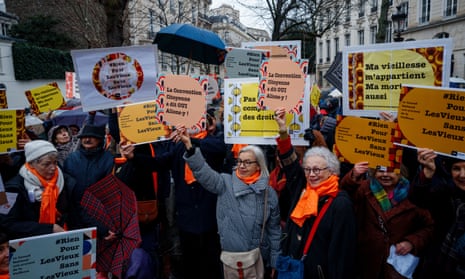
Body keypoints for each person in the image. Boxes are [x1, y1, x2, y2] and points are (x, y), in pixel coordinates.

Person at [120, 108, 226, 279]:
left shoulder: (211, 143)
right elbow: (158, 163)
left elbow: (219, 148)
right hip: (186, 216)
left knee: (211, 263)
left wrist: (190, 141)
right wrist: (133, 157)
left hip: (211, 215)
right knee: (190, 263)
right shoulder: (178, 148)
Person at [175, 125, 281, 278]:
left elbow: (274, 230)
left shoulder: (268, 193)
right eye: (239, 161)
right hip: (231, 262)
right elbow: (204, 172)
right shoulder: (225, 183)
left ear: (258, 165)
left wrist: (275, 261)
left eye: (247, 162)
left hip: (258, 261)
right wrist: (190, 148)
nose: (242, 166)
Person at [274, 107, 357, 278]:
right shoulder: (302, 188)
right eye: (308, 169)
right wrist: (283, 132)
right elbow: (289, 162)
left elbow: (342, 253)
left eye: (318, 170)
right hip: (295, 269)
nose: (312, 174)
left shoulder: (340, 202)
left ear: (332, 171)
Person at [340, 161, 434, 279]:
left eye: (391, 171)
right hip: (366, 259)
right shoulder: (364, 188)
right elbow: (345, 194)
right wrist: (354, 175)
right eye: (380, 170)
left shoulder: (414, 194)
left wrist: (411, 242)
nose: (385, 174)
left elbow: (429, 227)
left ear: (401, 173)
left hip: (396, 265)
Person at [62, 124, 117, 278]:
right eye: (84, 137)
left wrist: (103, 226)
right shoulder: (71, 159)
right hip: (75, 220)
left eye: (91, 136)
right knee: (81, 265)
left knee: (100, 265)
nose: (87, 139)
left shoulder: (108, 159)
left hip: (100, 220)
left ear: (100, 139)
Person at [0, 140, 76, 239]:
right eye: (46, 164)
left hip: (63, 239)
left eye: (55, 162)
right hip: (31, 244)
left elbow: (76, 211)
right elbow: (6, 223)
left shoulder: (66, 181)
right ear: (31, 164)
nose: (53, 168)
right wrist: (49, 229)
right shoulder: (11, 188)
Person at [411, 148, 465, 278]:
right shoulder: (446, 195)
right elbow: (418, 200)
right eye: (456, 169)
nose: (462, 175)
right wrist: (427, 173)